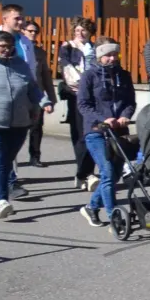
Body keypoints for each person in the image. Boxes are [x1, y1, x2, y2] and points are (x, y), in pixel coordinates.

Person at [0, 30, 53, 219]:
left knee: (7, 161)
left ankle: (2, 195)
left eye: (10, 47)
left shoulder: (20, 64)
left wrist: (44, 102)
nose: (7, 50)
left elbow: (32, 88)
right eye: (2, 47)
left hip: (19, 123)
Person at [76, 37, 137, 228]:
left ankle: (91, 207)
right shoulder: (89, 76)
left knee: (115, 174)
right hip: (96, 132)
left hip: (119, 132)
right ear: (99, 56)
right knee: (108, 172)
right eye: (107, 55)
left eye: (114, 55)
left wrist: (125, 116)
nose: (112, 59)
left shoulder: (124, 75)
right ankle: (114, 217)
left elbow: (130, 102)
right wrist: (102, 119)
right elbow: (83, 105)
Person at [58, 18, 98, 189]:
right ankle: (85, 173)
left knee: (93, 132)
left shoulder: (95, 48)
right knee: (80, 134)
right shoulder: (67, 47)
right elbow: (66, 68)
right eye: (77, 31)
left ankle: (85, 173)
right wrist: (82, 86)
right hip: (76, 94)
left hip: (94, 95)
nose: (80, 34)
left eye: (84, 31)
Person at [20, 19, 54, 167]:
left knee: (36, 127)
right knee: (17, 129)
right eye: (30, 31)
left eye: (35, 31)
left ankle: (35, 156)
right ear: (23, 31)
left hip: (37, 94)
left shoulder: (40, 52)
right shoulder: (16, 48)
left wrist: (51, 98)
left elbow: (45, 75)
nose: (33, 34)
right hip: (20, 94)